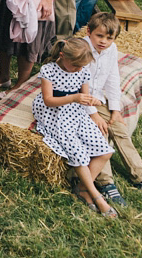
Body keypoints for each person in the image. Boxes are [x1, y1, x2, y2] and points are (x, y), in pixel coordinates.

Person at [82, 13, 142, 204]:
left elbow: (112, 79)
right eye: (99, 36)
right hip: (78, 102)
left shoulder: (111, 49)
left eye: (109, 38)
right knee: (100, 132)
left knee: (120, 130)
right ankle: (106, 183)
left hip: (98, 100)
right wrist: (93, 115)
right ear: (89, 31)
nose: (104, 42)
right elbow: (76, 83)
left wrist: (115, 110)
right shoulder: (81, 49)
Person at [32, 38, 117, 217]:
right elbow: (48, 100)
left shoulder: (83, 70)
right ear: (62, 56)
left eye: (82, 66)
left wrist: (92, 101)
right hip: (54, 113)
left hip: (76, 112)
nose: (79, 69)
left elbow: (84, 97)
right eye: (76, 66)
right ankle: (95, 195)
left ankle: (82, 188)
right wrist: (73, 98)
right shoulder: (48, 70)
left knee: (106, 151)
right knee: (79, 154)